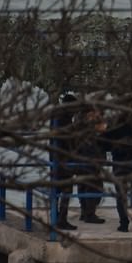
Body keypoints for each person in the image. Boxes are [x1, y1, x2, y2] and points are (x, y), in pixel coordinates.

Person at [103, 112, 132, 233]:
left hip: (119, 162)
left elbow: (105, 145)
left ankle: (123, 224)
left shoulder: (112, 125)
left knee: (121, 195)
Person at [49, 93, 80, 231]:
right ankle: (61, 219)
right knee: (66, 190)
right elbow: (67, 140)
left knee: (57, 189)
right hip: (63, 160)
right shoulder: (64, 119)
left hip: (56, 158)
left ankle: (56, 218)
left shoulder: (56, 116)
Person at [75, 107, 108, 224]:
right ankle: (89, 214)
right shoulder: (88, 127)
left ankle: (85, 212)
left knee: (83, 186)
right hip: (90, 160)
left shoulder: (78, 124)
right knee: (94, 187)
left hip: (81, 159)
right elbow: (102, 130)